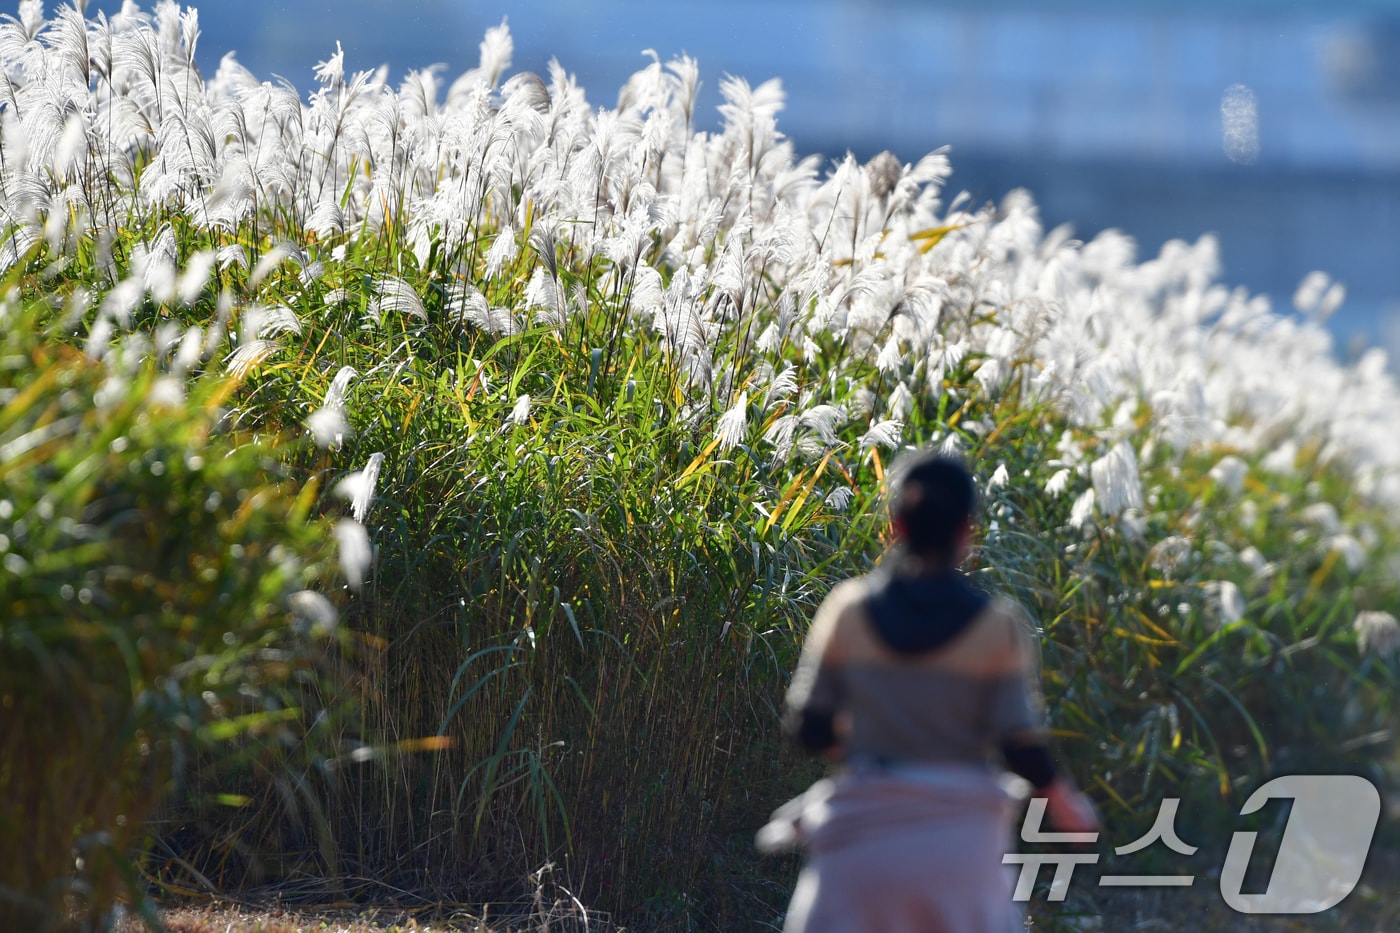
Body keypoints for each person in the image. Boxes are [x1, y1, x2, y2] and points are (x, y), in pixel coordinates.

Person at [757, 450, 1098, 932]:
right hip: (963, 855)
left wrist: (878, 751)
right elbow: (1021, 746)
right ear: (966, 531)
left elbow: (806, 728)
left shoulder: (847, 610)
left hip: (860, 853)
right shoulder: (998, 625)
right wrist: (1068, 807)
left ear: (895, 526)